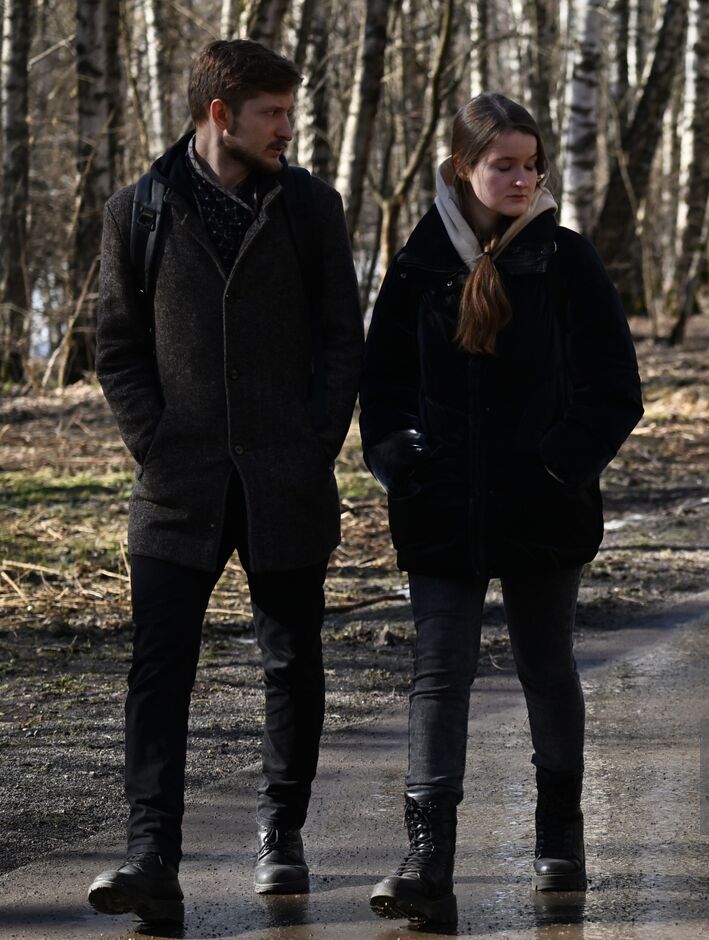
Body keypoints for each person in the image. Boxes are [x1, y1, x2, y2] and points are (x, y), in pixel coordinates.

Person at [88, 40, 362, 923]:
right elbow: (117, 347)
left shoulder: (313, 208)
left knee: (293, 662)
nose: (288, 128)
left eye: (290, 111)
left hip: (286, 479)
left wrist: (315, 439)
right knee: (159, 668)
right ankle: (149, 855)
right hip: (178, 485)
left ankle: (281, 837)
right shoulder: (140, 209)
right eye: (273, 114)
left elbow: (341, 339)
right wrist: (157, 446)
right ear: (221, 116)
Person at [359, 93, 643, 925]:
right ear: (463, 170)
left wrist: (561, 463)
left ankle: (559, 835)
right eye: (503, 164)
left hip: (542, 509)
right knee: (437, 674)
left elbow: (614, 388)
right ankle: (426, 856)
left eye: (531, 163)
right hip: (441, 509)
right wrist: (399, 460)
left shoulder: (567, 260)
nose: (522, 178)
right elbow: (381, 387)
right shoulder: (417, 265)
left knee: (544, 666)